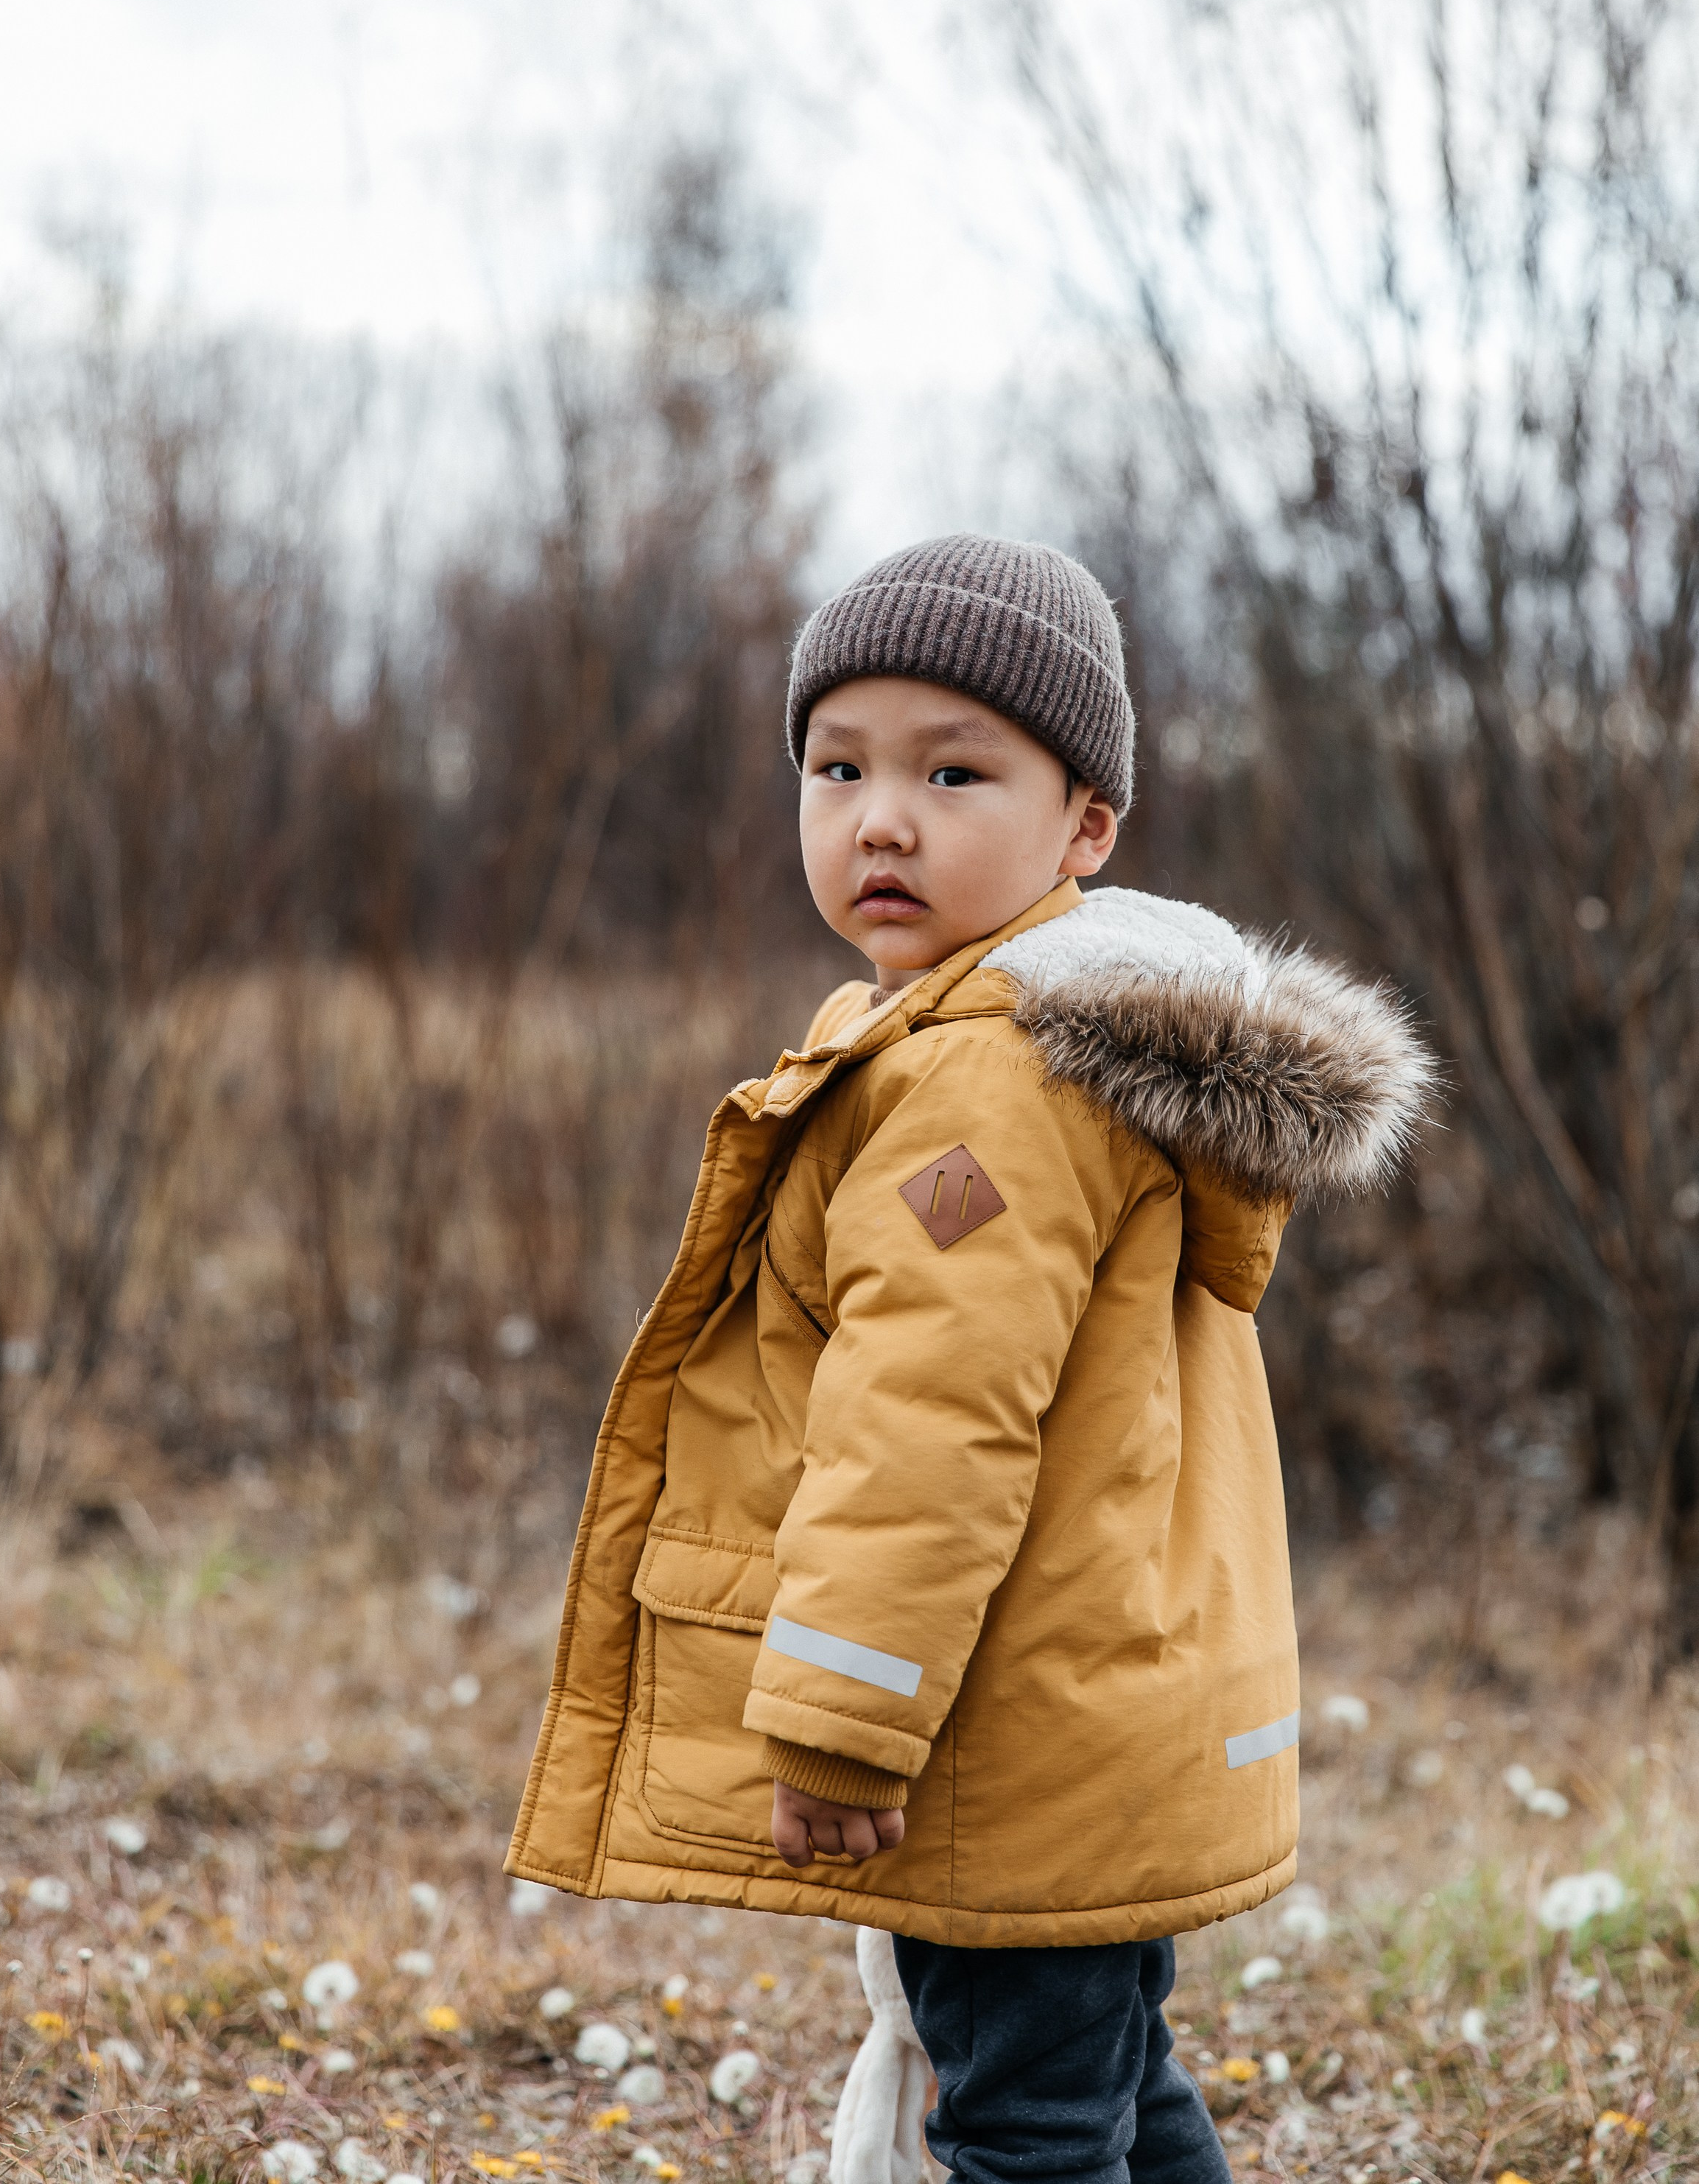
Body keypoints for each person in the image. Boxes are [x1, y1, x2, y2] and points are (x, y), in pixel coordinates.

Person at [509, 535, 1434, 2184]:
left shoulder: (989, 1082)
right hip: (1086, 1719)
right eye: (837, 764)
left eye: (954, 769)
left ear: (1085, 824)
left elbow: (930, 1424)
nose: (881, 815)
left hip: (1003, 1730)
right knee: (1107, 2091)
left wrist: (845, 1718)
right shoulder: (992, 1040)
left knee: (1023, 2128)